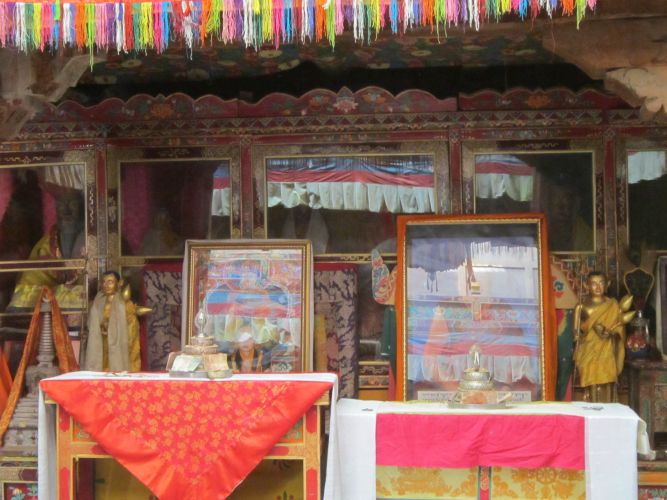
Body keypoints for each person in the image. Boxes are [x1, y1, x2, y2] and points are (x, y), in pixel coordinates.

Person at [8, 189, 86, 311]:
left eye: (73, 204)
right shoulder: (46, 245)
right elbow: (26, 291)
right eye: (61, 205)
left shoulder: (95, 241)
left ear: (83, 208)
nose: (66, 211)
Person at [573, 272, 634, 402]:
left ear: (607, 285)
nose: (598, 287)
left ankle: (609, 406)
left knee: (608, 379)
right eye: (594, 284)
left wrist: (611, 332)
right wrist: (590, 328)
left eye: (601, 283)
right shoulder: (581, 306)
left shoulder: (613, 305)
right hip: (589, 350)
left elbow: (620, 328)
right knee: (591, 379)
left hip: (607, 349)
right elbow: (576, 333)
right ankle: (592, 405)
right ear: (586, 285)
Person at [84, 271, 150, 372]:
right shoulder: (97, 302)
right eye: (104, 282)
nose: (106, 285)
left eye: (110, 282)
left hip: (119, 346)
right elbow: (91, 325)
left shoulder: (124, 304)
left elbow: (132, 328)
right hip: (100, 344)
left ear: (119, 283)